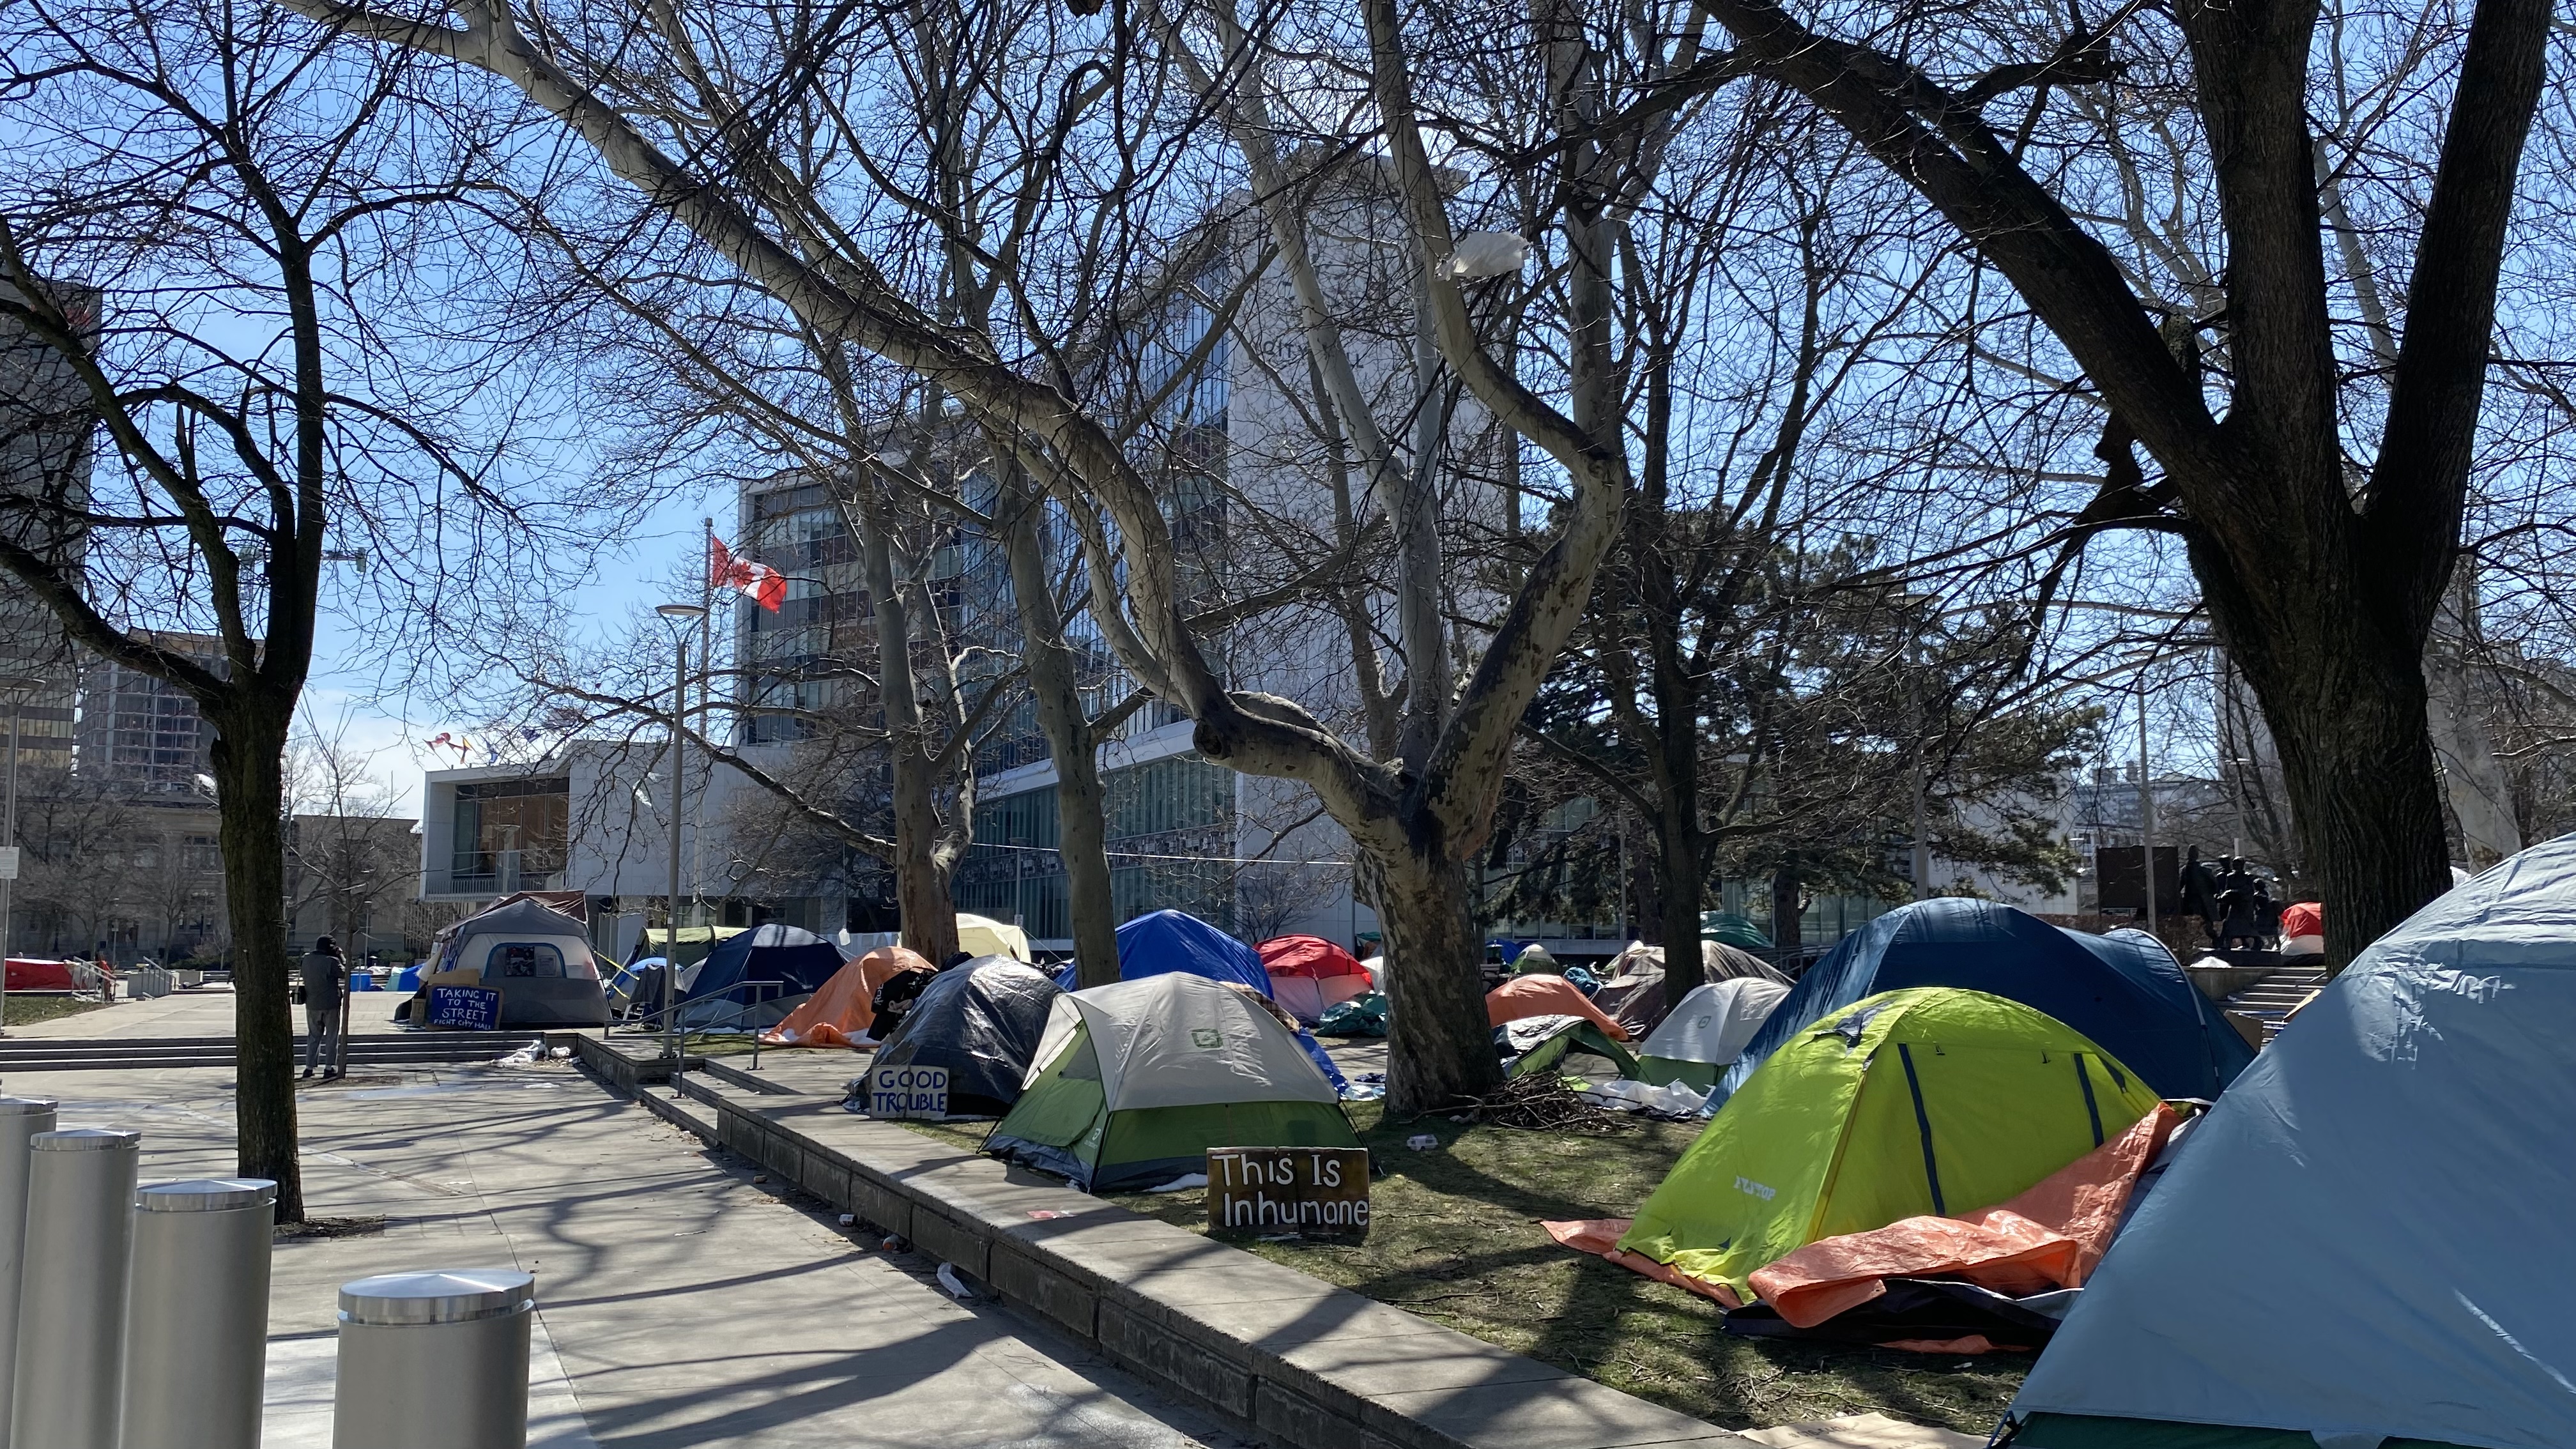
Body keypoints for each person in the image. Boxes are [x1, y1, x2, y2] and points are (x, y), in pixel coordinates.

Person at [300, 937, 349, 1080]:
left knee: (314, 1036)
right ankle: (329, 1067)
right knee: (332, 1037)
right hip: (331, 1005)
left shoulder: (307, 959)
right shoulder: (331, 961)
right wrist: (341, 956)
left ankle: (309, 1068)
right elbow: (345, 973)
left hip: (312, 1004)